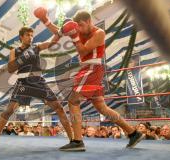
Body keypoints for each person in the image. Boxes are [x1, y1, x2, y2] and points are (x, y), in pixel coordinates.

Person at [34, 8, 144, 151]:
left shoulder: (99, 33)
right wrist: (45, 20)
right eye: (77, 26)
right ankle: (133, 133)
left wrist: (74, 35)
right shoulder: (78, 29)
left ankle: (78, 141)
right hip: (88, 69)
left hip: (92, 68)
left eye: (81, 25)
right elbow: (58, 32)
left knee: (73, 101)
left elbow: (84, 50)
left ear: (89, 21)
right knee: (102, 107)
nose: (78, 29)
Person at [0, 26, 73, 149]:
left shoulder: (36, 47)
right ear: (21, 36)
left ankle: (72, 140)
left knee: (59, 108)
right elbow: (10, 69)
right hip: (23, 82)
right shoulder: (14, 51)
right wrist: (23, 59)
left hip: (38, 81)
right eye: (28, 35)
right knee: (8, 111)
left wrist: (60, 32)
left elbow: (51, 44)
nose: (30, 37)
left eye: (32, 35)